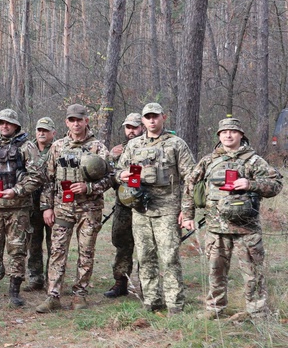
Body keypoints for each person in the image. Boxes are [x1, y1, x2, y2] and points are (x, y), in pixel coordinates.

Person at [183, 117, 282, 320]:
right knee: (215, 272)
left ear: (241, 135)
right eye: (224, 132)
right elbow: (190, 185)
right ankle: (215, 309)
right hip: (216, 228)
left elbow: (276, 184)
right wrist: (187, 214)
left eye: (233, 131)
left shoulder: (253, 161)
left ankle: (257, 312)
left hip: (247, 229)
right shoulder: (209, 161)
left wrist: (251, 184)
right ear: (219, 136)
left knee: (253, 273)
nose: (228, 135)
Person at [116, 102, 196, 315]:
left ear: (164, 117)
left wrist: (186, 211)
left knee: (169, 258)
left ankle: (175, 304)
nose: (152, 120)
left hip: (168, 210)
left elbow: (191, 177)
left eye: (155, 116)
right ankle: (151, 300)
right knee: (145, 257)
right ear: (142, 120)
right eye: (148, 117)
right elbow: (118, 171)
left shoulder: (176, 144)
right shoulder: (133, 146)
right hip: (141, 210)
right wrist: (121, 175)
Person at [35, 104, 113, 313]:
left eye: (79, 119)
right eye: (72, 120)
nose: (76, 123)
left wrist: (89, 187)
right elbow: (47, 179)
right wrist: (47, 207)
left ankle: (80, 294)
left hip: (89, 209)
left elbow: (111, 177)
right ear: (66, 122)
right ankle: (53, 295)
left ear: (86, 121)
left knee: (86, 252)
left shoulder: (98, 147)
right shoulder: (58, 146)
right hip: (62, 208)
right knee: (57, 252)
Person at [0, 109, 44, 306]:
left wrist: (17, 190)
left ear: (16, 126)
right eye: (1, 123)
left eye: (8, 123)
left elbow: (37, 176)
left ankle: (15, 291)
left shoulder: (27, 146)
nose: (4, 126)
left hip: (18, 207)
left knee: (17, 249)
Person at [104, 113, 145, 299]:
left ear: (142, 127)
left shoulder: (150, 146)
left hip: (146, 205)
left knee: (147, 246)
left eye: (135, 127)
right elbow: (109, 178)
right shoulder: (119, 151)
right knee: (122, 244)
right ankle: (121, 282)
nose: (131, 131)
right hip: (123, 205)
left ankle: (147, 286)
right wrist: (112, 159)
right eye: (128, 127)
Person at [23, 117, 56, 292]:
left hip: (53, 203)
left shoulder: (59, 149)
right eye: (39, 129)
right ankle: (35, 278)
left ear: (53, 133)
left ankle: (53, 278)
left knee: (55, 243)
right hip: (31, 203)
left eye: (45, 130)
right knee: (33, 242)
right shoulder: (27, 149)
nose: (41, 133)